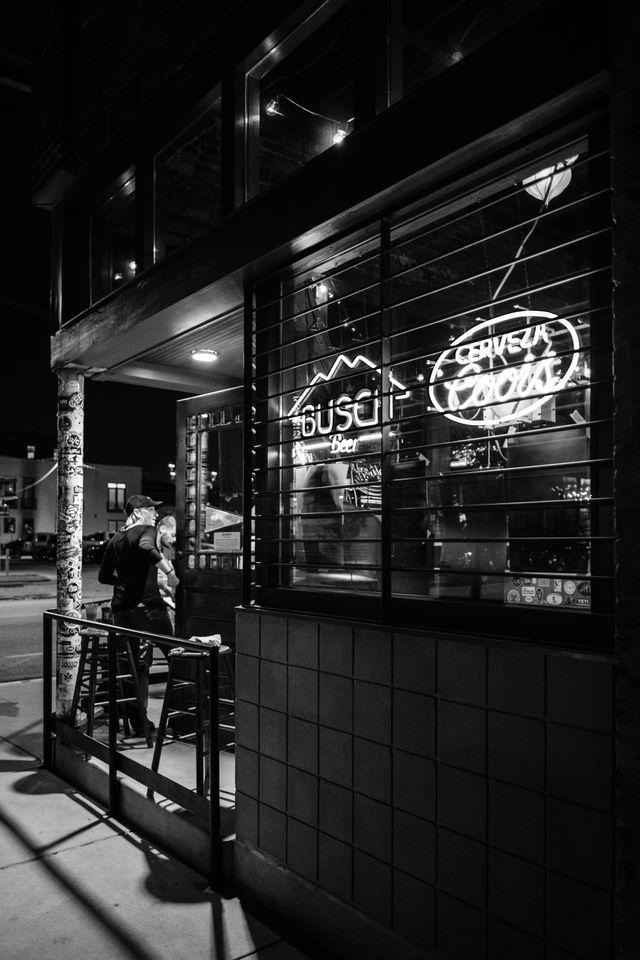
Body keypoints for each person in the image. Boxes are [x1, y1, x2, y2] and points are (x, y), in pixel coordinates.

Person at [98, 495, 177, 737]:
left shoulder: (115, 540)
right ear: (138, 512)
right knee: (179, 657)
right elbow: (145, 548)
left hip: (122, 611)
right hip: (148, 609)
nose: (155, 514)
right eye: (151, 510)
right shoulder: (146, 529)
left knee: (132, 667)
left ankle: (140, 725)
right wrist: (170, 572)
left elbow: (103, 576)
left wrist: (124, 582)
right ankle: (187, 716)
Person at [154, 514, 177, 632]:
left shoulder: (166, 549)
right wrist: (168, 589)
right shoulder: (150, 548)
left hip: (167, 603)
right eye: (172, 535)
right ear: (162, 529)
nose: (174, 540)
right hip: (155, 604)